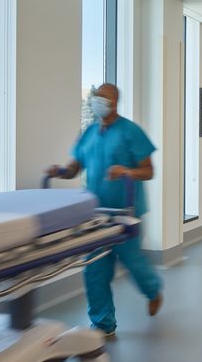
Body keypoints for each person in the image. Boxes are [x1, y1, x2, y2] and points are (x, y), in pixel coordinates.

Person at [47, 83, 163, 337]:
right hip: (95, 214)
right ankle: (103, 324)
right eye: (97, 97)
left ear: (115, 102)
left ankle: (153, 290)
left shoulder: (131, 131)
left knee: (132, 261)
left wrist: (127, 171)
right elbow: (74, 168)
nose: (99, 101)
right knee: (95, 269)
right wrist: (61, 172)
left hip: (126, 211)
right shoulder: (88, 132)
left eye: (105, 98)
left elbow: (149, 170)